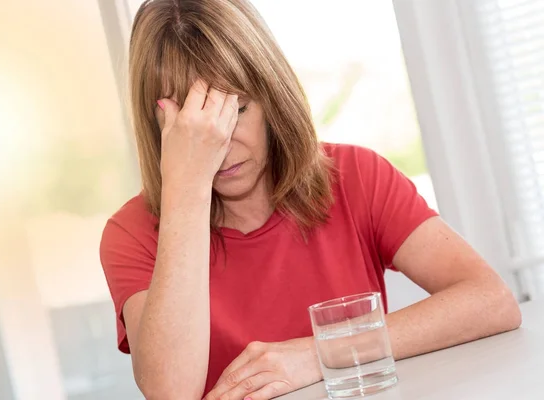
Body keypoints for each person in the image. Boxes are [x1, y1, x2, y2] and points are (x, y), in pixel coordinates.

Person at [99, 0, 522, 399]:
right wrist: (186, 187)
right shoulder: (131, 233)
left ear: (272, 95)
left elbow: (491, 301)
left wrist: (319, 353)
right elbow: (170, 391)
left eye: (238, 110)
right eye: (193, 128)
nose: (220, 145)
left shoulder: (356, 176)